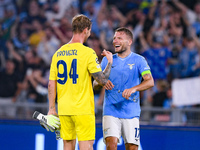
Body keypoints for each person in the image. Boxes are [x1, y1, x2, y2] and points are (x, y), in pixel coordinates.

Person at [47, 14, 114, 150]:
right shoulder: (87, 53)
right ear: (85, 30)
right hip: (83, 109)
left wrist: (51, 108)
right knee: (86, 147)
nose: (89, 33)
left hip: (64, 109)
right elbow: (101, 80)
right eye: (89, 31)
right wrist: (109, 63)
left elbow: (51, 84)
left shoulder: (58, 53)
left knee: (67, 146)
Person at [93, 27, 154, 150]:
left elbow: (150, 81)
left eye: (119, 38)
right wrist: (102, 81)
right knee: (111, 145)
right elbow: (95, 84)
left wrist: (133, 89)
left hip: (131, 111)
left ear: (129, 42)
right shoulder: (107, 60)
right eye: (114, 38)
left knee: (132, 147)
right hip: (111, 110)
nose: (115, 41)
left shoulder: (139, 60)